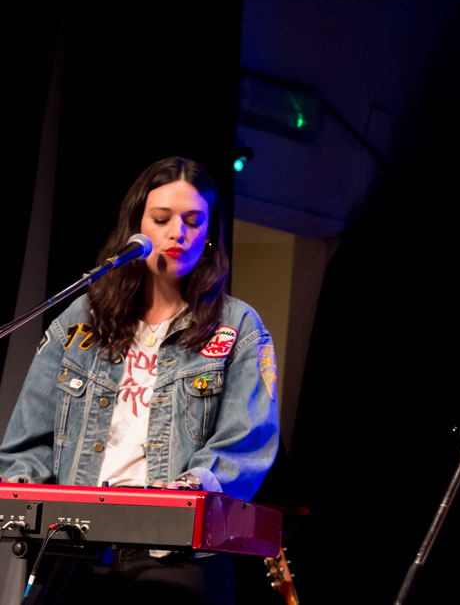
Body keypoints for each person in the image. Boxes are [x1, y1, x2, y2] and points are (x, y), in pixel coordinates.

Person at [0, 157, 279, 603]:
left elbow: (247, 440)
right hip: (76, 550)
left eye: (193, 221)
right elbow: (26, 443)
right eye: (162, 219)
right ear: (137, 227)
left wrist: (190, 487)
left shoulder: (238, 326)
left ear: (210, 233)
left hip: (177, 561)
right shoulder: (82, 318)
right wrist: (23, 504)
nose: (177, 233)